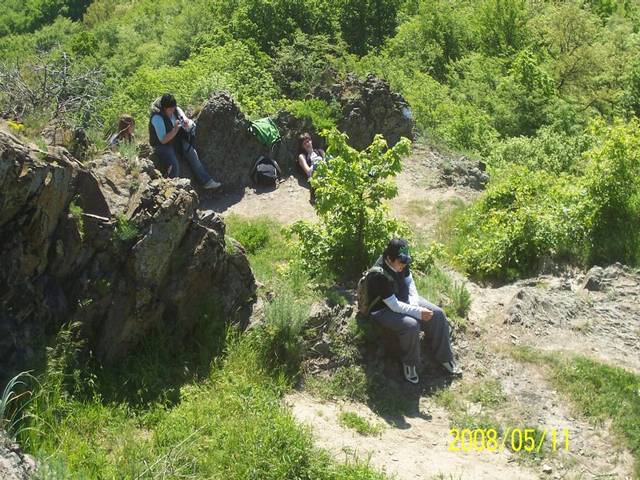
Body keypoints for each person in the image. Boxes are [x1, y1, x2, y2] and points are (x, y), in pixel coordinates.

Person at [368, 238, 462, 384]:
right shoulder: (378, 274)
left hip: (403, 299)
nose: (404, 265)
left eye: (406, 262)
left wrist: (415, 303)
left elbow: (409, 282)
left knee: (438, 314)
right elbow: (394, 306)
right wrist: (417, 312)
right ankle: (410, 364)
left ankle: (445, 357)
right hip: (383, 309)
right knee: (411, 325)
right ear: (389, 258)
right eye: (401, 262)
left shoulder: (402, 261)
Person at [149, 93, 221, 190]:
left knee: (192, 153)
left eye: (174, 108)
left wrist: (186, 124)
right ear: (165, 108)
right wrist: (175, 130)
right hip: (161, 145)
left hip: (175, 140)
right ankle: (172, 189)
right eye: (170, 109)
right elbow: (163, 140)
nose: (172, 111)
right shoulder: (157, 117)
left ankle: (206, 181)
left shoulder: (176, 110)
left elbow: (185, 120)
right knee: (174, 164)